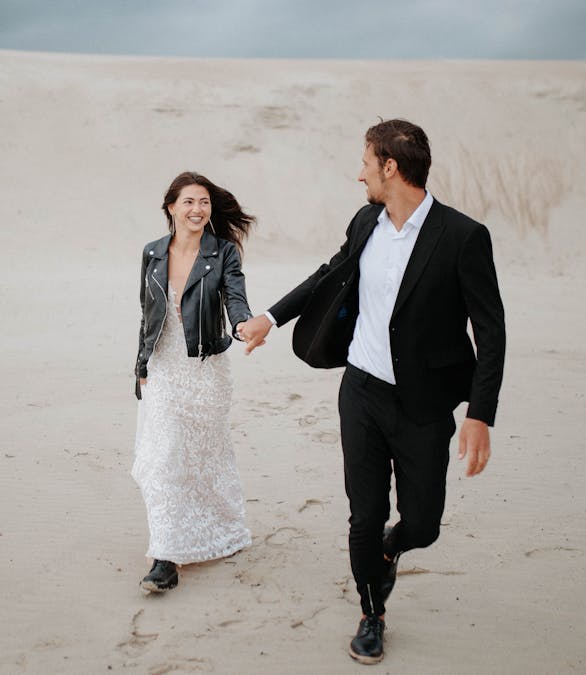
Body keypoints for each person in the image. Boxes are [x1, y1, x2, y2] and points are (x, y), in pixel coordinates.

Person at [237, 119, 506, 664]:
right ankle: (371, 613)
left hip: (425, 406)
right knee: (363, 514)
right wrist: (271, 317)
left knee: (424, 524)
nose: (358, 174)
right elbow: (329, 273)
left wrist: (480, 413)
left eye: (366, 162)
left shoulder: (462, 237)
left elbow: (491, 329)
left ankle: (395, 546)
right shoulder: (366, 222)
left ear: (391, 167)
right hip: (360, 392)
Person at [132, 171, 257, 593]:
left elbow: (236, 298)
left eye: (203, 202)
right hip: (165, 369)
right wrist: (140, 369)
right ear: (171, 207)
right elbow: (145, 316)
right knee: (165, 457)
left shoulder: (222, 252)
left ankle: (224, 529)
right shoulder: (152, 253)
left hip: (205, 371)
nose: (197, 209)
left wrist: (242, 324)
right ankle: (165, 558)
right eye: (188, 201)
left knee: (206, 459)